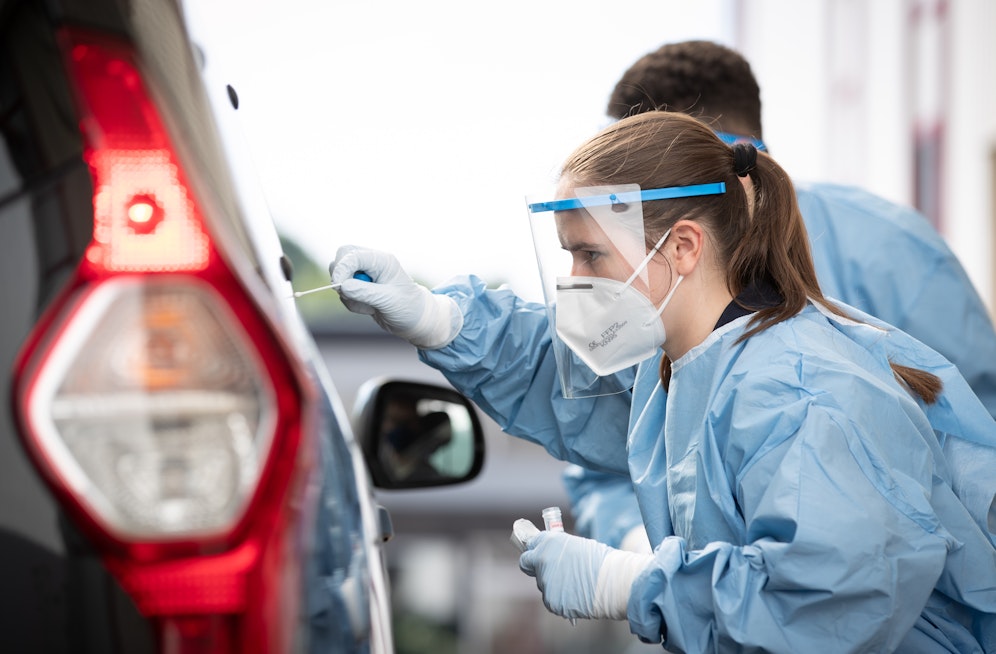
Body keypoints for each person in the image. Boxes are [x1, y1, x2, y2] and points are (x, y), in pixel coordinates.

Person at [333, 111, 996, 651]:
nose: (575, 279)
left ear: (682, 246)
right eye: (567, 252)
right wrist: (435, 316)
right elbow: (567, 382)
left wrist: (631, 582)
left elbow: (829, 605)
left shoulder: (800, 393)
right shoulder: (683, 367)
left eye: (590, 253)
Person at [561, 38, 996, 557]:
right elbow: (603, 425)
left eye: (645, 161)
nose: (581, 278)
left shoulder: (807, 375)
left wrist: (645, 583)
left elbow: (972, 438)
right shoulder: (679, 341)